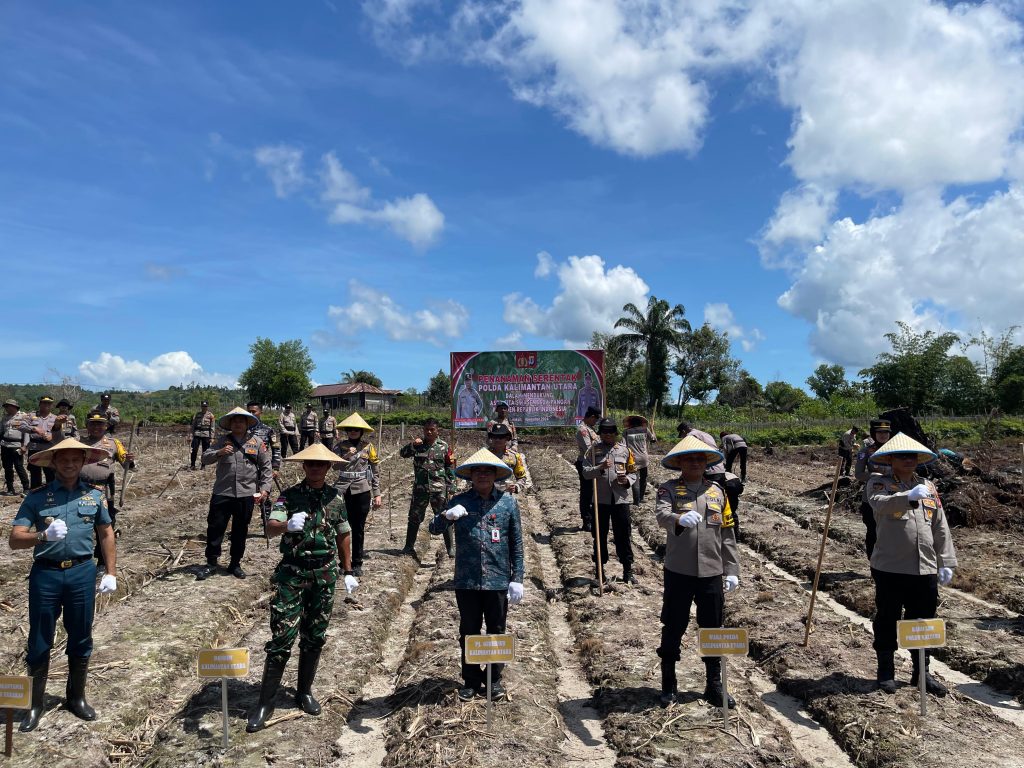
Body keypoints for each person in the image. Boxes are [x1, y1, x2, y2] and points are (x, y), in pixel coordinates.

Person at [245, 443, 360, 732]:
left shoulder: (335, 498)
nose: (315, 468)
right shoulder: (289, 496)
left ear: (329, 467)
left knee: (315, 635)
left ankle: (304, 691)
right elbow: (270, 526)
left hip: (324, 575)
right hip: (292, 575)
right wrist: (286, 526)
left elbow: (344, 533)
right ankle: (266, 702)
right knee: (282, 636)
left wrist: (348, 570)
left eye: (321, 464)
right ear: (304, 466)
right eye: (310, 464)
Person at [9, 437, 117, 732]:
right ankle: (35, 703)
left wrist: (110, 572)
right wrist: (42, 536)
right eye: (64, 460)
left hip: (82, 573)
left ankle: (76, 697)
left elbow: (106, 533)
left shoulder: (94, 497)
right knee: (40, 638)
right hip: (46, 575)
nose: (69, 465)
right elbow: (15, 539)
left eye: (75, 460)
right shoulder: (37, 497)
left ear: (83, 463)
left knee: (81, 635)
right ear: (53, 463)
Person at [429, 448, 524, 702]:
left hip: (498, 579)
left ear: (495, 475)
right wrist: (446, 516)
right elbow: (433, 529)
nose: (482, 475)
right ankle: (470, 680)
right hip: (467, 580)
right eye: (477, 471)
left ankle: (494, 680)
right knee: (469, 630)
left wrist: (518, 578)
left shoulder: (507, 503)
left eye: (487, 471)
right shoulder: (460, 501)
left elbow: (516, 543)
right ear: (470, 476)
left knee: (496, 630)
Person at [866, 432, 957, 696]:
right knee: (887, 618)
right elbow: (880, 505)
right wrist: (908, 498)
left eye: (912, 456)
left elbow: (939, 524)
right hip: (890, 567)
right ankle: (886, 672)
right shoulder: (878, 484)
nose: (909, 460)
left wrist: (946, 561)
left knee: (924, 619)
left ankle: (922, 672)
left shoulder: (928, 485)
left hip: (925, 566)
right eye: (902, 456)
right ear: (891, 459)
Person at [655, 435, 740, 709]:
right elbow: (660, 515)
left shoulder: (717, 492)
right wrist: (678, 518)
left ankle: (714, 684)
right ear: (680, 462)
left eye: (700, 458)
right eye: (689, 458)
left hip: (712, 572)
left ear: (707, 463)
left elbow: (727, 533)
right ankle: (669, 682)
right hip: (679, 571)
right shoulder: (668, 489)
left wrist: (732, 570)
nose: (695, 463)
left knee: (713, 627)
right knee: (674, 625)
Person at [198, 407, 273, 580]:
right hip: (222, 492)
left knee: (240, 530)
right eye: (235, 421)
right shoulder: (222, 441)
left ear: (247, 424)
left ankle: (235, 563)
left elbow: (266, 467)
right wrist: (219, 453)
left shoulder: (257, 442)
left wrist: (264, 489)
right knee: (215, 528)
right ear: (230, 424)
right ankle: (211, 563)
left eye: (241, 421)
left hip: (246, 493)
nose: (238, 423)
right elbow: (205, 457)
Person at [581, 418, 638, 585]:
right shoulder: (592, 451)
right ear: (600, 433)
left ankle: (627, 570)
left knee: (623, 535)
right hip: (601, 501)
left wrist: (627, 480)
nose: (607, 435)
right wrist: (599, 468)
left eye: (611, 431)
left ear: (615, 433)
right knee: (600, 535)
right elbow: (585, 473)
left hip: (620, 500)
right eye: (604, 432)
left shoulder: (625, 451)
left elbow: (633, 473)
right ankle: (600, 570)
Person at [78, 414, 134, 566]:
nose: (96, 427)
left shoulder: (114, 443)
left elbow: (125, 463)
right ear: (87, 426)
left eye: (100, 424)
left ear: (106, 426)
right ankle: (82, 560)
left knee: (105, 526)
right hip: (80, 490)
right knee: (80, 525)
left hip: (104, 491)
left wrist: (129, 460)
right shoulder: (78, 442)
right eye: (93, 424)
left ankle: (103, 562)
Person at [331, 413, 382, 576]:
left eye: (356, 429)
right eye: (350, 429)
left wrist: (377, 494)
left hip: (362, 490)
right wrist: (347, 456)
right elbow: (334, 466)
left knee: (358, 527)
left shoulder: (369, 447)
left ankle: (357, 562)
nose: (353, 431)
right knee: (340, 527)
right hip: (342, 490)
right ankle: (343, 562)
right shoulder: (339, 446)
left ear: (361, 431)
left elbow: (375, 471)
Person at [400, 419, 457, 556]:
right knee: (414, 517)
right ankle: (409, 547)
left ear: (438, 431)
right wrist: (412, 445)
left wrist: (452, 488)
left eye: (432, 429)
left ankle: (450, 548)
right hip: (420, 489)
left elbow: (450, 468)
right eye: (427, 429)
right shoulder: (418, 445)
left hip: (439, 489)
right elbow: (403, 454)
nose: (429, 432)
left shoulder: (444, 447)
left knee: (445, 516)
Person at [855, 419, 892, 558]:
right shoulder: (865, 452)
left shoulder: (897, 450)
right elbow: (858, 474)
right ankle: (873, 563)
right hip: (872, 497)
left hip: (893, 496)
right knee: (873, 531)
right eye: (879, 432)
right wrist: (872, 475)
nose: (883, 435)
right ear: (873, 433)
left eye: (886, 432)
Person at [20, 395, 58, 489]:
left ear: (52, 405)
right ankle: (35, 493)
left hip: (48, 449)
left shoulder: (55, 418)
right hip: (34, 447)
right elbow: (21, 426)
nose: (46, 405)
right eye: (44, 403)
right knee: (34, 472)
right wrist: (33, 428)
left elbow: (61, 433)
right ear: (40, 404)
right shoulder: (31, 415)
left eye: (49, 403)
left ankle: (51, 493)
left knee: (50, 472)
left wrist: (52, 436)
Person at [575, 406, 601, 531]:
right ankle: (587, 520)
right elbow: (589, 448)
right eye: (595, 419)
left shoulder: (591, 428)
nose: (595, 422)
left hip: (594, 463)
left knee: (593, 492)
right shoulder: (583, 429)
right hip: (586, 463)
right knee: (587, 492)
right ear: (591, 417)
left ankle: (593, 518)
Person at [485, 423, 529, 495]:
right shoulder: (483, 455)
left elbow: (522, 478)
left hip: (507, 496)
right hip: (486, 495)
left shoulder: (515, 456)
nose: (498, 440)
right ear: (491, 438)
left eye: (501, 437)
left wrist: (516, 487)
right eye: (495, 437)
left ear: (507, 438)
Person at [623, 415, 657, 505]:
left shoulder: (626, 432)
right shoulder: (645, 430)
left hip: (632, 459)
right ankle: (641, 497)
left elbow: (623, 446)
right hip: (644, 458)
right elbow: (653, 440)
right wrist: (652, 428)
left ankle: (636, 501)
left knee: (635, 480)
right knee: (644, 479)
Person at [1, 399, 30, 496]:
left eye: (8, 406)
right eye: (6, 406)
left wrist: (25, 445)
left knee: (19, 466)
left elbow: (26, 432)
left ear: (14, 407)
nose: (6, 408)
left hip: (17, 446)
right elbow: (1, 431)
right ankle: (10, 488)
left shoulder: (22, 416)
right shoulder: (5, 418)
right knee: (7, 468)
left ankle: (26, 488)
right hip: (5, 445)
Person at [190, 401, 215, 470]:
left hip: (206, 434)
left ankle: (203, 465)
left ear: (207, 407)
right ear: (201, 406)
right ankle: (192, 465)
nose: (204, 408)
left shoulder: (211, 415)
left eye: (205, 406)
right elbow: (193, 426)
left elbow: (212, 427)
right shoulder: (197, 415)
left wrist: (212, 437)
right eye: (203, 406)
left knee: (205, 451)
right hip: (197, 433)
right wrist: (191, 435)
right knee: (194, 449)